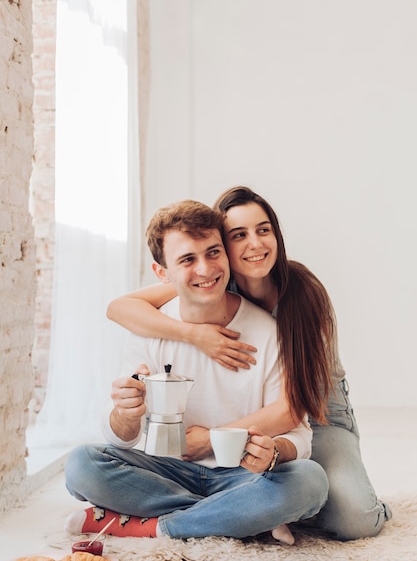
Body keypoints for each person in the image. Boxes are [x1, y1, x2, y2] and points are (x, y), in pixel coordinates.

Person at [106, 186, 391, 541]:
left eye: (263, 229)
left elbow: (292, 409)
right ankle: (246, 510)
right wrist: (195, 335)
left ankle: (274, 506)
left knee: (353, 519)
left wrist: (211, 439)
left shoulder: (304, 294)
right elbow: (119, 308)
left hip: (319, 412)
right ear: (223, 247)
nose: (254, 244)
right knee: (90, 463)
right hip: (256, 422)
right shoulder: (212, 280)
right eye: (238, 235)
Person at [64, 200, 329, 542]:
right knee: (82, 464)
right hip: (165, 470)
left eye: (213, 253)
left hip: (241, 474)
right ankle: (238, 515)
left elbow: (298, 432)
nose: (205, 270)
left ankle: (158, 526)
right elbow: (122, 437)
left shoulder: (270, 333)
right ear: (162, 273)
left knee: (309, 481)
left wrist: (273, 451)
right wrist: (125, 414)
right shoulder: (149, 329)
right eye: (188, 259)